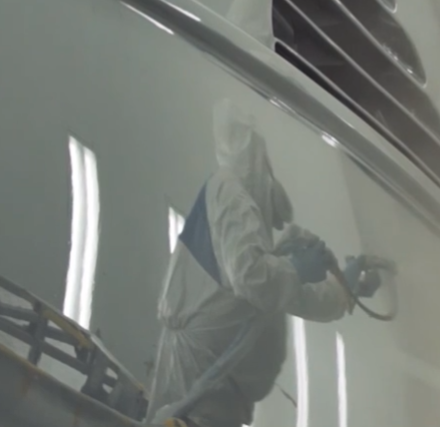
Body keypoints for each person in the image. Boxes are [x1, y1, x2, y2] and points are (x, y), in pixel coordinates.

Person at [147, 100, 379, 427]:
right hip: (200, 383)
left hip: (225, 395)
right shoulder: (228, 191)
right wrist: (297, 268)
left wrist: (344, 287)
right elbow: (253, 280)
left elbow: (288, 294)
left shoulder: (258, 247)